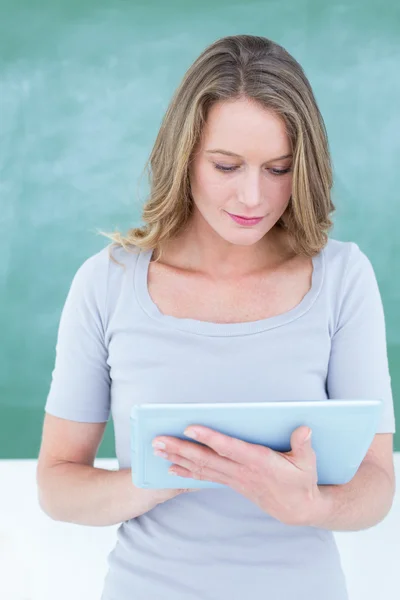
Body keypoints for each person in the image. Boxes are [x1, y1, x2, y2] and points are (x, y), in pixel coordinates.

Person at [36, 34, 396, 599]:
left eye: (278, 169)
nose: (253, 197)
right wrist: (167, 477)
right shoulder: (106, 282)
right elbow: (57, 486)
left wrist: (312, 504)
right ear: (184, 157)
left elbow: (377, 485)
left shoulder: (343, 278)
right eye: (226, 165)